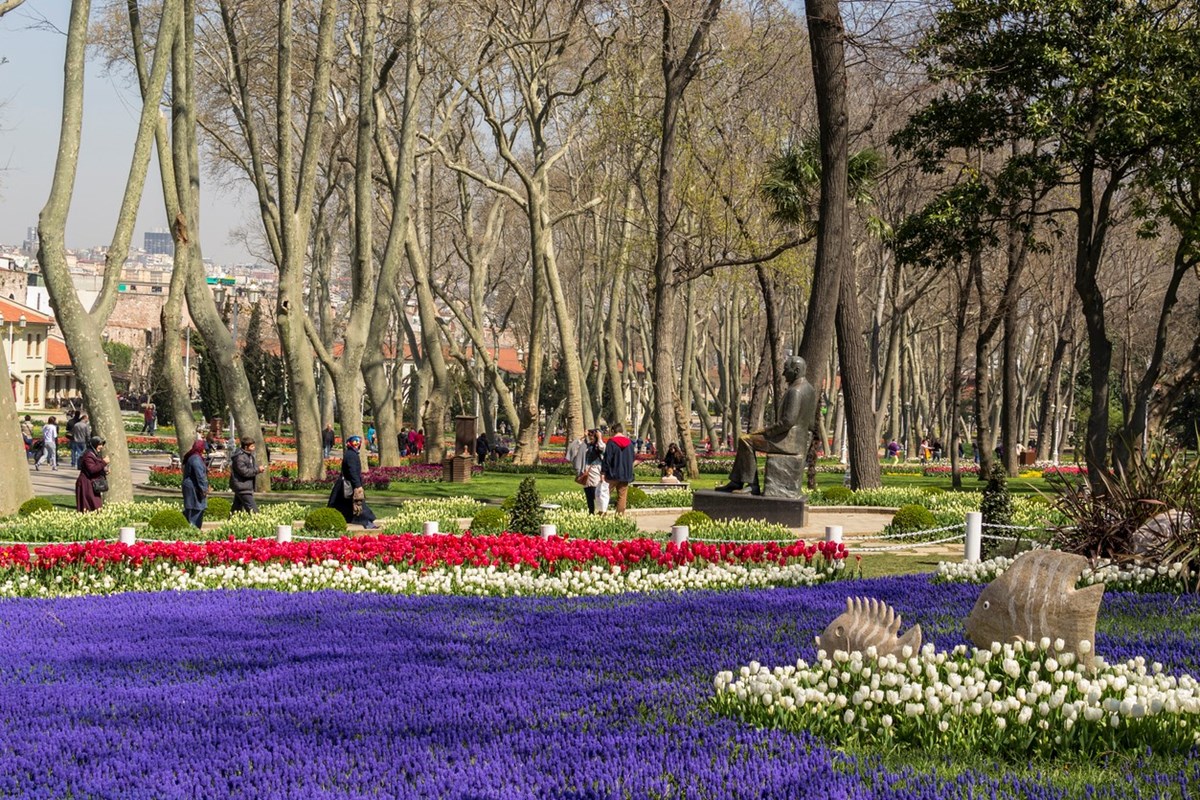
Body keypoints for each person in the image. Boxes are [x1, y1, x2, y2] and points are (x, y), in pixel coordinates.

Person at [716, 357, 817, 494]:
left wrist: (765, 432)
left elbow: (787, 422)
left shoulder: (796, 391)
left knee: (745, 441)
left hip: (788, 441)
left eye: (786, 370)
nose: (783, 374)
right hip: (798, 440)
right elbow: (811, 423)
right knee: (746, 439)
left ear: (796, 371)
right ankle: (736, 482)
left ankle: (752, 485)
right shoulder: (809, 389)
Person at [327, 435, 378, 528]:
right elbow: (352, 471)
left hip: (346, 485)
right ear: (350, 443)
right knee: (358, 503)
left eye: (359, 442)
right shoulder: (351, 455)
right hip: (348, 485)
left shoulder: (352, 454)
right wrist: (357, 485)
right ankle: (367, 522)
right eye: (355, 442)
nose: (357, 444)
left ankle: (366, 522)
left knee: (343, 506)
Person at [601, 422, 636, 514]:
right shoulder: (630, 443)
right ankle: (619, 516)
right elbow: (632, 458)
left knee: (605, 494)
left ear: (613, 431)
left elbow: (607, 458)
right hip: (625, 474)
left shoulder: (611, 442)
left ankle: (602, 514)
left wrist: (603, 472)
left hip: (612, 473)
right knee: (622, 496)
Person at [230, 436, 266, 514]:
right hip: (242, 487)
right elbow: (244, 472)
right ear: (246, 447)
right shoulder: (240, 457)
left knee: (236, 510)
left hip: (245, 486)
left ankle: (230, 523)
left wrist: (258, 468)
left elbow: (250, 467)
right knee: (253, 510)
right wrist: (257, 470)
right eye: (252, 446)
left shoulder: (248, 455)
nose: (254, 448)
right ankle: (259, 523)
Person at [75, 435, 110, 513]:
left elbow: (96, 467)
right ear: (94, 444)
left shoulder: (94, 454)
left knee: (95, 507)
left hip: (92, 484)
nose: (101, 447)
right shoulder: (88, 455)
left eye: (102, 445)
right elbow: (92, 470)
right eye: (99, 444)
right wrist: (104, 462)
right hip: (86, 484)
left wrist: (104, 471)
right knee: (91, 507)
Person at [181, 437, 209, 528]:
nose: (205, 452)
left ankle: (189, 527)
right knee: (196, 509)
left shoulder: (194, 457)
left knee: (191, 509)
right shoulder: (196, 459)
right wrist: (204, 489)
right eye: (204, 449)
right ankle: (194, 530)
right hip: (194, 488)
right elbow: (200, 476)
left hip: (191, 487)